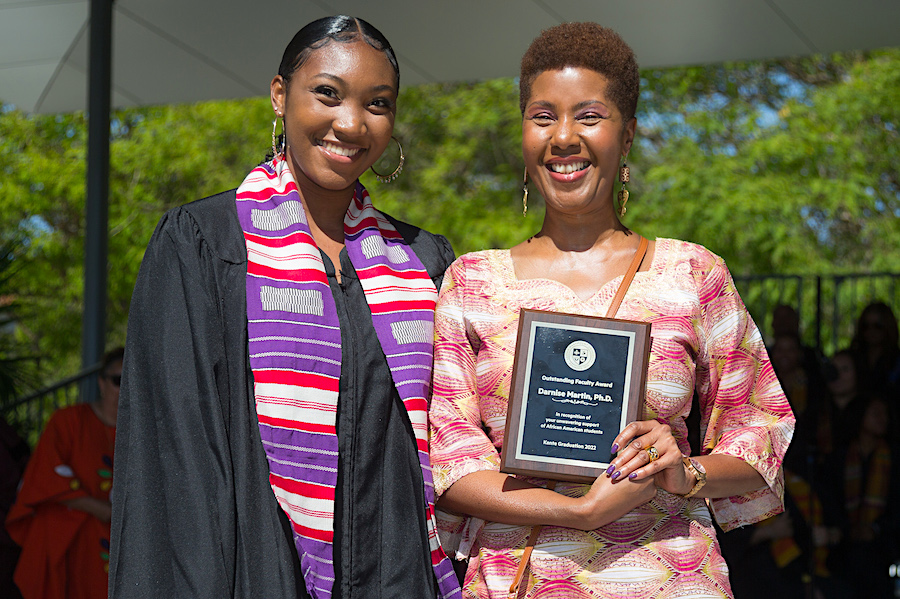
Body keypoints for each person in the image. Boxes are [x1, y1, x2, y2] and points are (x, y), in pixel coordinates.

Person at [428, 22, 795, 598]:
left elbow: (762, 426)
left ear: (626, 138)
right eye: (542, 116)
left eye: (590, 116)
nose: (564, 137)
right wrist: (577, 513)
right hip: (519, 578)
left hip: (670, 576)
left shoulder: (692, 274)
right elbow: (450, 464)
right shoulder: (472, 282)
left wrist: (684, 471)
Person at [108, 16, 461, 599]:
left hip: (397, 574)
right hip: (255, 572)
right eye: (327, 93)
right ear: (279, 95)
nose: (351, 123)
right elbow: (176, 459)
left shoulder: (422, 263)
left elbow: (459, 430)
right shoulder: (204, 243)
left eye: (378, 103)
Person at [6, 347, 122, 599]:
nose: (124, 389)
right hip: (71, 540)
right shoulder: (68, 421)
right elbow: (45, 475)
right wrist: (96, 507)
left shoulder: (144, 434)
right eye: (118, 380)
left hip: (119, 541)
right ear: (102, 383)